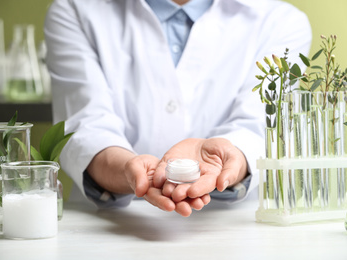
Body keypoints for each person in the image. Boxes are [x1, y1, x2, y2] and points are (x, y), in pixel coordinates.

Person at [44, 0, 312, 217]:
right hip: (113, 227)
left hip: (233, 227)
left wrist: (225, 160)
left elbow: (257, 127)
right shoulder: (74, 10)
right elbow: (87, 125)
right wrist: (130, 170)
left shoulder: (281, 22)